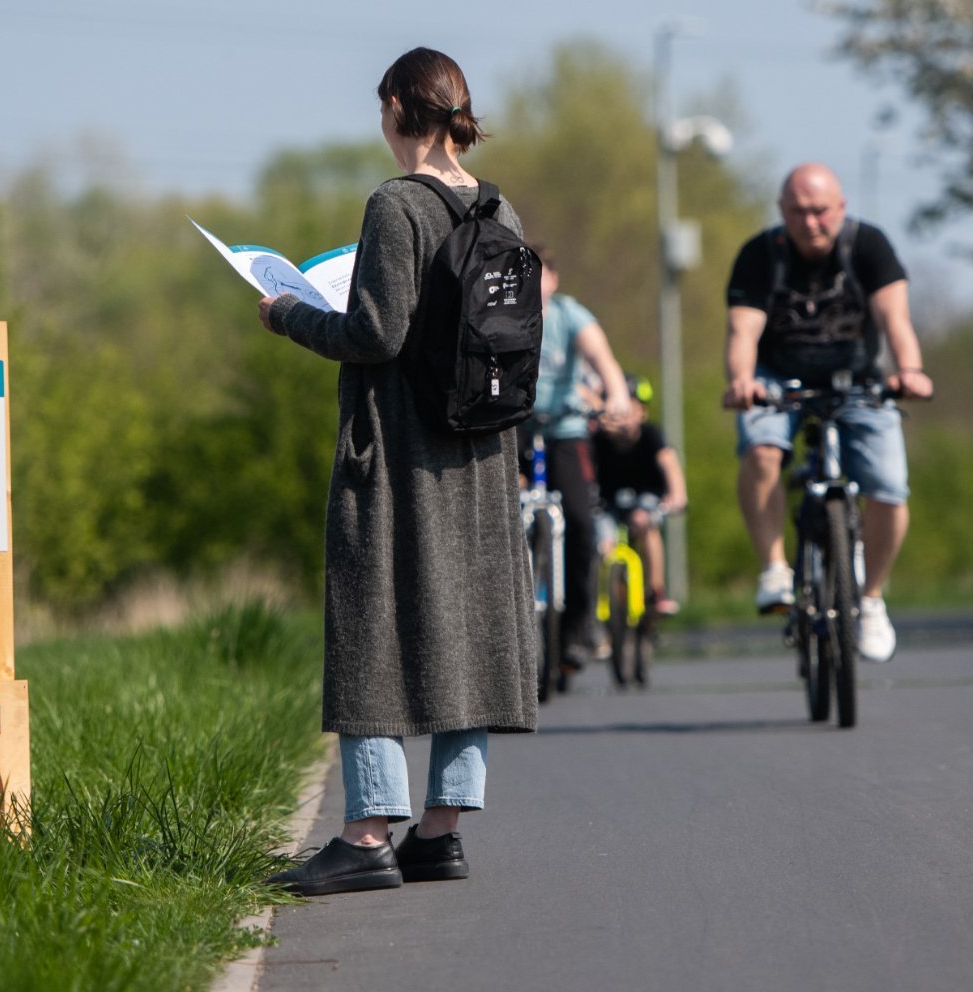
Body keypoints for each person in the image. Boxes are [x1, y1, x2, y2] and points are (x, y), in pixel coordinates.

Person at [254, 47, 538, 896]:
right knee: (471, 624)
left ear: (393, 109)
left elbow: (375, 334)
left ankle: (369, 831)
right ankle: (443, 829)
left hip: (401, 452)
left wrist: (292, 316)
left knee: (373, 621)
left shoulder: (396, 205)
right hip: (483, 454)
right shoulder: (501, 207)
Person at [719, 163, 933, 663]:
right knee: (763, 449)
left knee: (888, 488)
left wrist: (911, 370)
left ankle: (872, 598)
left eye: (820, 211)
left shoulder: (868, 247)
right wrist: (741, 381)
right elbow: (743, 333)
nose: (811, 222)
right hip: (778, 378)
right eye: (798, 211)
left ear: (840, 208)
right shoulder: (760, 255)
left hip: (858, 379)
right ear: (782, 211)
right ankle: (775, 569)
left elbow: (895, 318)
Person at [522, 251, 632, 670]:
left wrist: (616, 394)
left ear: (554, 278)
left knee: (582, 524)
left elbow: (601, 357)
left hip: (565, 428)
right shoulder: (502, 309)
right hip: (514, 425)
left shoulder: (570, 315)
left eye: (540, 274)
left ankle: (577, 627)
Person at [591, 374, 687, 618]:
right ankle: (603, 605)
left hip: (645, 497)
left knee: (645, 522)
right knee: (603, 544)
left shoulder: (651, 435)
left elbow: (669, 462)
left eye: (630, 410)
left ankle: (656, 591)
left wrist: (677, 494)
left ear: (642, 412)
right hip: (608, 502)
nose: (623, 418)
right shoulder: (597, 441)